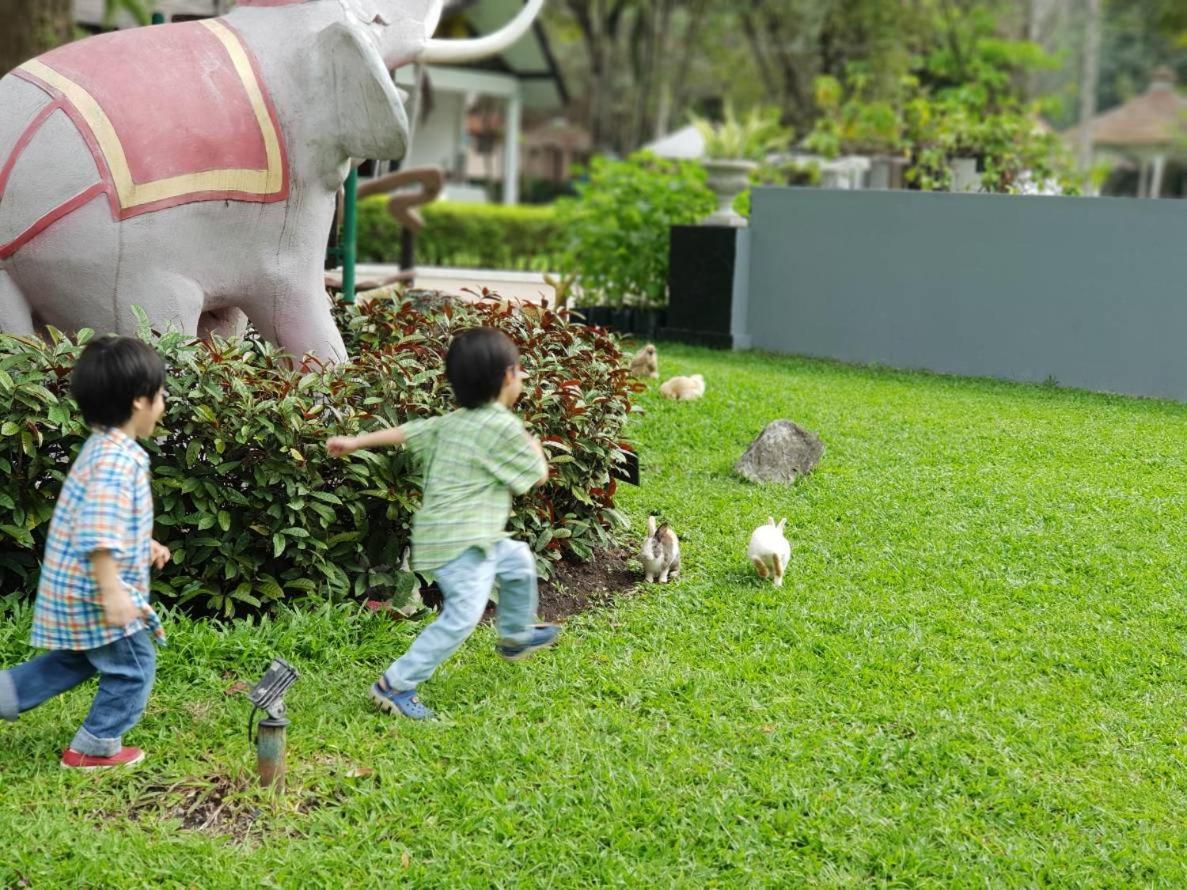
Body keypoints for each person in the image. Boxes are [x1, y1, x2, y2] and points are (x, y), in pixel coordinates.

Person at [327, 327, 558, 719]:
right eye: (520, 370)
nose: (523, 378)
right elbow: (537, 477)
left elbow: (407, 432)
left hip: (455, 538)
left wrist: (356, 441)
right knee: (462, 618)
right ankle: (395, 685)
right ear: (507, 377)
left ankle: (515, 635)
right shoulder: (502, 426)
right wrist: (536, 449)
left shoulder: (454, 420)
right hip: (461, 544)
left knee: (517, 558)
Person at [0, 335, 170, 768]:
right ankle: (92, 749)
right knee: (134, 664)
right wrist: (113, 591)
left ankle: (6, 694)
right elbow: (98, 530)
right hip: (98, 592)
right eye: (160, 394)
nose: (164, 402)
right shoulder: (118, 461)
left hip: (78, 587)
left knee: (74, 661)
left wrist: (141, 542)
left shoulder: (104, 450)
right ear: (138, 402)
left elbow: (105, 518)